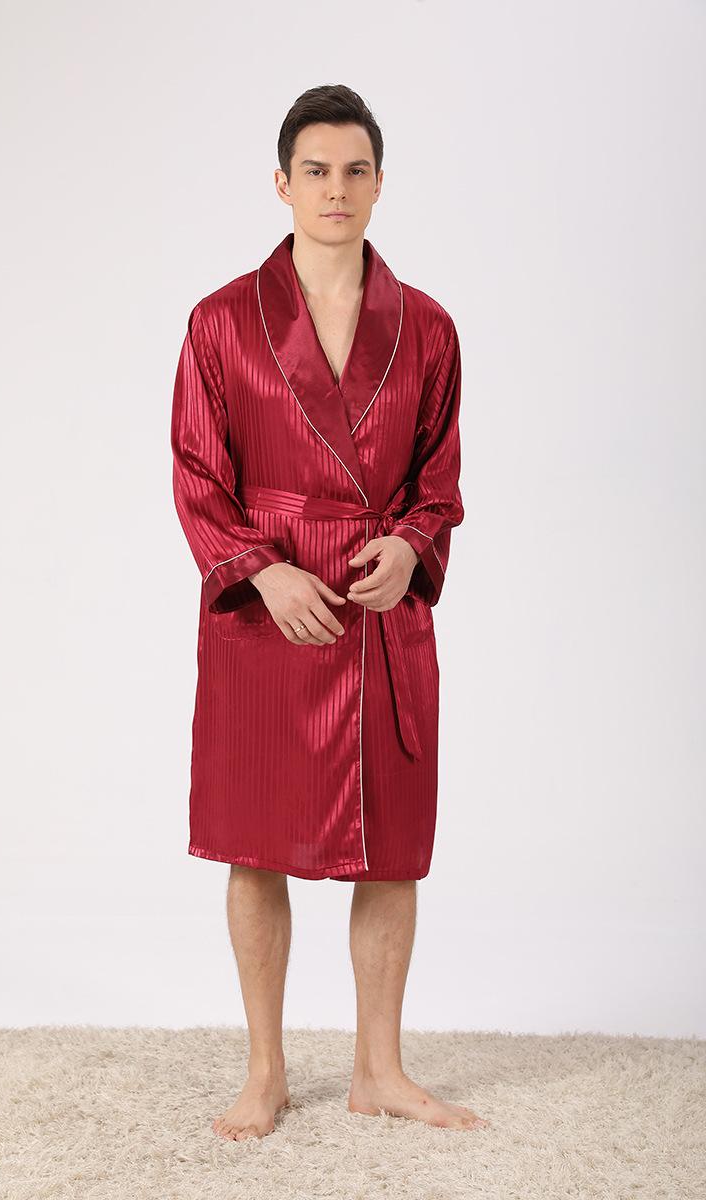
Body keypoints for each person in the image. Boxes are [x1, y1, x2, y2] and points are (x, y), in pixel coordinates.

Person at [170, 84, 487, 1139]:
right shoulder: (221, 322)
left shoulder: (427, 328)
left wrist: (410, 546)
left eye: (355, 171)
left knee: (391, 847)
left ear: (380, 183)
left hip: (378, 611)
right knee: (252, 845)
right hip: (266, 616)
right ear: (282, 183)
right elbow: (197, 476)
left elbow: (438, 480)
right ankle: (264, 1071)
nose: (335, 189)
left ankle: (377, 1070)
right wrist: (262, 573)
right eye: (315, 170)